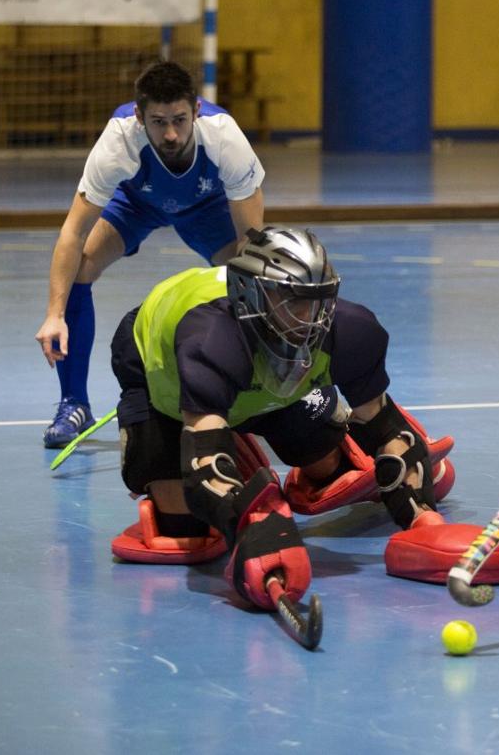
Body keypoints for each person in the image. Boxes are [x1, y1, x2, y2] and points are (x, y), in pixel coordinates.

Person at [107, 226, 453, 611]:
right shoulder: (208, 340)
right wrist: (251, 523)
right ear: (250, 294)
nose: (310, 318)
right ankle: (231, 438)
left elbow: (384, 423)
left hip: (277, 389)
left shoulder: (353, 331)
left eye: (319, 300)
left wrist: (422, 518)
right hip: (171, 391)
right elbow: (203, 467)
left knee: (330, 469)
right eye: (291, 301)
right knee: (184, 532)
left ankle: (323, 443)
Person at [35, 60, 266, 449]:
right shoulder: (118, 141)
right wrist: (54, 315)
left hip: (206, 208)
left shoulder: (225, 137)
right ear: (140, 117)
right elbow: (73, 232)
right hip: (137, 203)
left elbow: (251, 241)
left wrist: (249, 292)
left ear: (196, 111)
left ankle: (251, 395)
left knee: (247, 278)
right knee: (81, 269)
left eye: (180, 119)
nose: (171, 133)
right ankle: (74, 403)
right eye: (159, 122)